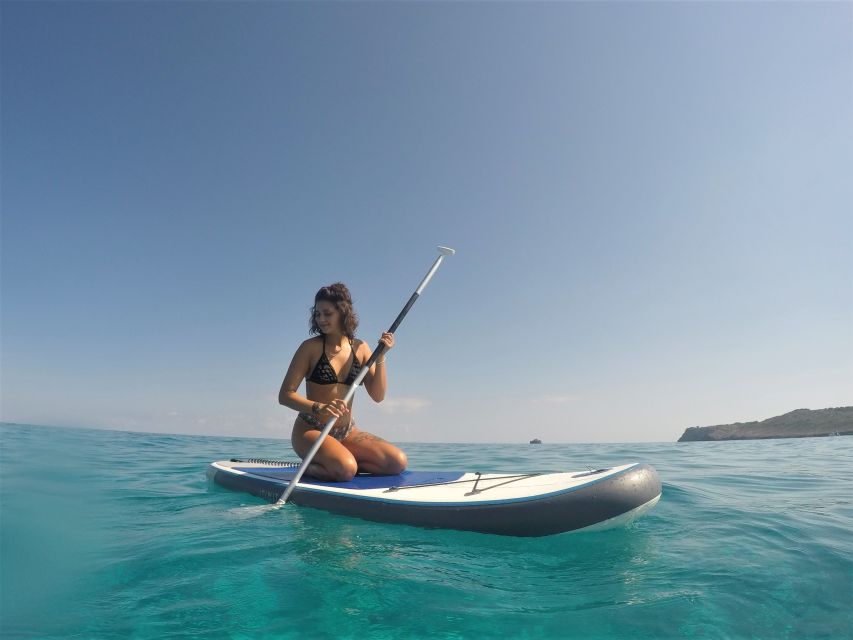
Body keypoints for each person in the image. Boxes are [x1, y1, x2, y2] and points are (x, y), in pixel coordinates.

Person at [278, 283, 408, 482]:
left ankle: (338, 459)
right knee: (345, 469)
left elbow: (378, 396)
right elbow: (285, 395)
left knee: (397, 462)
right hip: (310, 430)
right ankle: (319, 466)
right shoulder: (309, 348)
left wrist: (381, 356)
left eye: (327, 313)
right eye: (318, 313)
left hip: (346, 432)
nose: (321, 319)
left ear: (343, 312)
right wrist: (319, 407)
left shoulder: (361, 347)